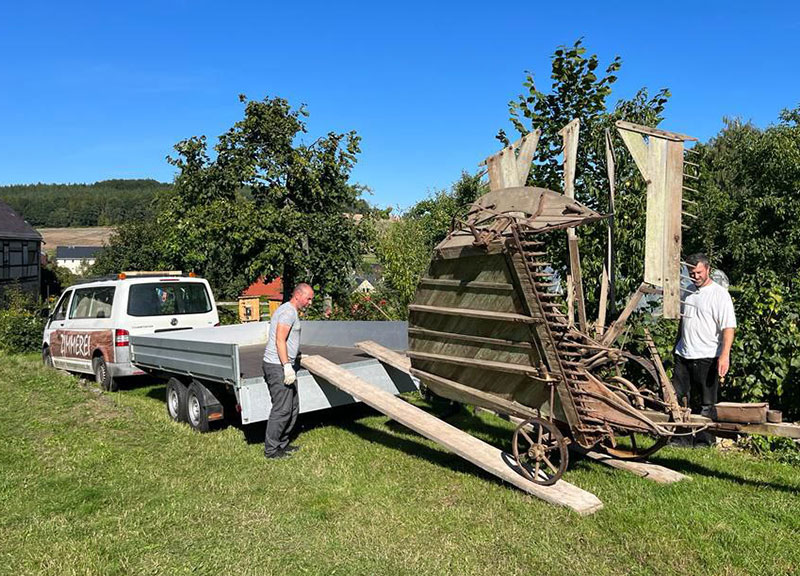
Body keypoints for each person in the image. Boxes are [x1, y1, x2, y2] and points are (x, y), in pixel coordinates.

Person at [673, 253, 736, 444]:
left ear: (708, 269)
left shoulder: (720, 294)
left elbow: (728, 328)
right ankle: (680, 439)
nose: (695, 276)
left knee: (706, 404)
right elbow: (683, 323)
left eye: (699, 272)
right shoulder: (688, 291)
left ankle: (704, 441)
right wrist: (677, 345)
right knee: (680, 399)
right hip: (684, 354)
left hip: (707, 356)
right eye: (692, 273)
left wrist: (724, 356)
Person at [262, 283, 314, 459]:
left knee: (292, 408)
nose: (310, 302)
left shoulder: (290, 311)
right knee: (282, 409)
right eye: (308, 298)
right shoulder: (287, 312)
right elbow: (279, 340)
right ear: (298, 295)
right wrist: (286, 366)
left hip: (285, 364)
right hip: (277, 366)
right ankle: (271, 450)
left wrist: (295, 356)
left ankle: (282, 444)